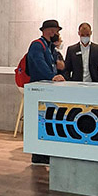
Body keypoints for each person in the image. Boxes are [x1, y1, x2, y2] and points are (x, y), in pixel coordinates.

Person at [26, 20, 65, 165]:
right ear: (49, 31)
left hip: (47, 89)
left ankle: (45, 152)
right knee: (39, 121)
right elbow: (39, 63)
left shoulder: (50, 47)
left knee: (47, 119)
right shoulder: (37, 45)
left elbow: (56, 64)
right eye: (56, 31)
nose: (57, 34)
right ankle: (38, 155)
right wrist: (51, 76)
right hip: (39, 89)